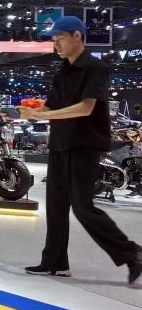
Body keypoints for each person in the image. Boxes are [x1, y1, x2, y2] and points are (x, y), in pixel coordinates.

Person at [19, 16, 141, 288]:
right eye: (54, 40)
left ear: (77, 36)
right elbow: (51, 106)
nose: (56, 45)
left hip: (84, 145)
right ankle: (55, 262)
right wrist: (33, 113)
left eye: (60, 39)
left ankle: (133, 254)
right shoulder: (63, 70)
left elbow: (86, 108)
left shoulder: (95, 67)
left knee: (83, 208)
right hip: (59, 145)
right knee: (55, 207)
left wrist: (46, 115)